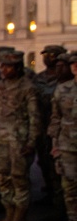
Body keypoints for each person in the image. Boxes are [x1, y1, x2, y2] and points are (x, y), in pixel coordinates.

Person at [0, 50, 40, 221]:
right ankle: (9, 212)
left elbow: (35, 117)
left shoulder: (27, 87)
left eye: (8, 66)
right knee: (3, 177)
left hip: (19, 140)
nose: (4, 69)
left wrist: (31, 142)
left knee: (19, 178)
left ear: (18, 67)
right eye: (2, 66)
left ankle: (20, 216)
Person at [49, 52, 77, 221]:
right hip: (67, 145)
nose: (75, 67)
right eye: (73, 64)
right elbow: (56, 118)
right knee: (70, 188)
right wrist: (55, 144)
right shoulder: (62, 89)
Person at [34, 45, 67, 203]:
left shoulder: (65, 78)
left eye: (51, 55)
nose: (47, 58)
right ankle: (50, 191)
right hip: (42, 124)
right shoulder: (39, 77)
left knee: (59, 164)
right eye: (45, 55)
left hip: (59, 127)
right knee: (43, 160)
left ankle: (61, 199)